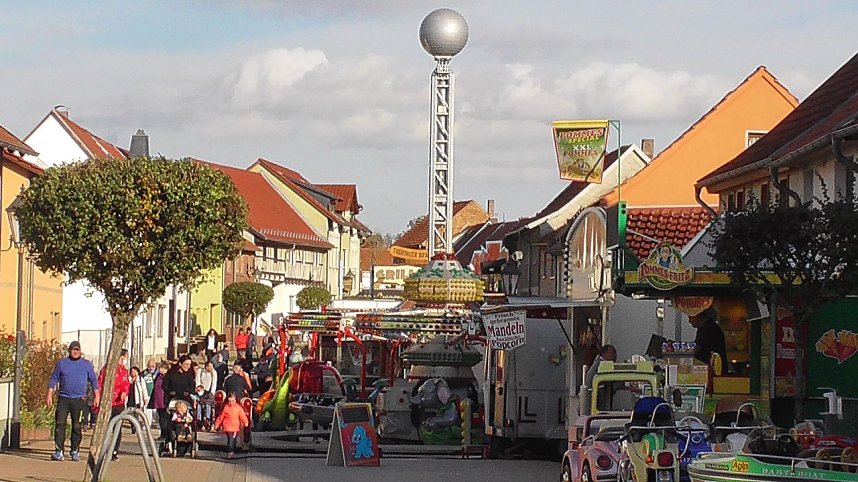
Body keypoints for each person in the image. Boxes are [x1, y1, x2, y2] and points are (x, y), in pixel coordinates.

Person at [47, 341, 100, 461]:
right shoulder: (62, 363)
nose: (75, 352)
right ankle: (59, 451)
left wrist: (97, 396)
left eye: (77, 350)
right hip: (64, 399)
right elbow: (54, 379)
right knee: (60, 424)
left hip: (79, 400)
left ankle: (74, 450)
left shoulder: (86, 365)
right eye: (73, 349)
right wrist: (49, 395)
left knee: (77, 426)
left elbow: (94, 381)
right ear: (69, 350)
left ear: (80, 351)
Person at [98, 348, 131, 461]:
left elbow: (126, 384)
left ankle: (114, 451)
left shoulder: (124, 371)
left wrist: (124, 392)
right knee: (105, 427)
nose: (124, 360)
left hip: (119, 403)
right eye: (123, 358)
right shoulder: (107, 369)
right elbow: (100, 383)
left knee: (117, 427)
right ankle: (101, 450)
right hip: (107, 402)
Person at [689, 307, 728, 373]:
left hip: (714, 369)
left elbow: (697, 348)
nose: (689, 321)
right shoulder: (705, 327)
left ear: (697, 316)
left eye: (690, 318)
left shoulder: (708, 328)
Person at [214, 392, 249, 459]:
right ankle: (230, 452)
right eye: (229, 401)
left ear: (235, 400)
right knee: (230, 439)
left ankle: (232, 450)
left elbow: (242, 416)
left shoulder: (238, 408)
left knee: (233, 440)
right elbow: (221, 417)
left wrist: (245, 422)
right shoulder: (226, 408)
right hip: (227, 427)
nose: (231, 403)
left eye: (232, 401)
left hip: (235, 427)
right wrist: (217, 424)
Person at [148, 361, 170, 444]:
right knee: (160, 418)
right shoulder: (158, 376)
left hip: (164, 401)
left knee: (164, 419)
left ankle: (165, 435)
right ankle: (162, 433)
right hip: (157, 400)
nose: (160, 369)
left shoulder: (167, 377)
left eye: (161, 368)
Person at [127, 366, 150, 431]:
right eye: (132, 371)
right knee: (129, 415)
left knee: (136, 414)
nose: (133, 373)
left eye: (134, 371)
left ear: (137, 372)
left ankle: (135, 427)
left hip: (137, 400)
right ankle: (133, 425)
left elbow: (144, 389)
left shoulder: (140, 379)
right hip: (129, 400)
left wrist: (145, 398)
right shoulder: (128, 379)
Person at [141, 358, 158, 427]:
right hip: (147, 395)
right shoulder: (144, 373)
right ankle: (147, 425)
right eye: (149, 366)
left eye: (152, 366)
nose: (151, 368)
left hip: (155, 395)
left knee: (155, 411)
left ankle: (158, 423)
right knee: (147, 411)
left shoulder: (158, 373)